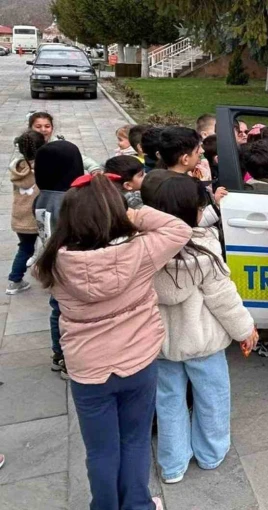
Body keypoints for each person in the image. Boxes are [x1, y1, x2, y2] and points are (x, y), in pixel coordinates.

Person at [35, 173, 191, 510]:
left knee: (101, 450)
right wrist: (132, 212)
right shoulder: (140, 252)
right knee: (134, 440)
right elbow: (179, 229)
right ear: (114, 213)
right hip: (138, 361)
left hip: (88, 370)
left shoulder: (53, 262)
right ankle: (137, 504)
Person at [142, 171, 258, 484]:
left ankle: (173, 463)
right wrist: (245, 330)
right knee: (213, 398)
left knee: (167, 401)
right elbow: (223, 298)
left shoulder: (140, 249)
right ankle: (211, 453)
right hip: (203, 343)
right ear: (191, 211)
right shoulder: (203, 251)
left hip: (160, 344)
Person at [34, 141, 86, 379]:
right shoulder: (70, 200)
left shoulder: (42, 196)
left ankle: (58, 354)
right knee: (69, 314)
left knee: (57, 310)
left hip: (52, 265)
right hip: (71, 266)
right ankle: (67, 357)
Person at [7, 130, 45, 295]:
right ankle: (50, 279)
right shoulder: (43, 167)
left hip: (20, 218)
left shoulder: (17, 168)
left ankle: (14, 281)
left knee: (25, 248)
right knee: (50, 247)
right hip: (38, 216)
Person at [25, 112, 102, 173]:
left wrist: (94, 169)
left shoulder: (59, 145)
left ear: (52, 128)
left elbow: (79, 158)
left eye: (47, 126)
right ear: (30, 128)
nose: (43, 130)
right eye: (38, 127)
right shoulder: (25, 145)